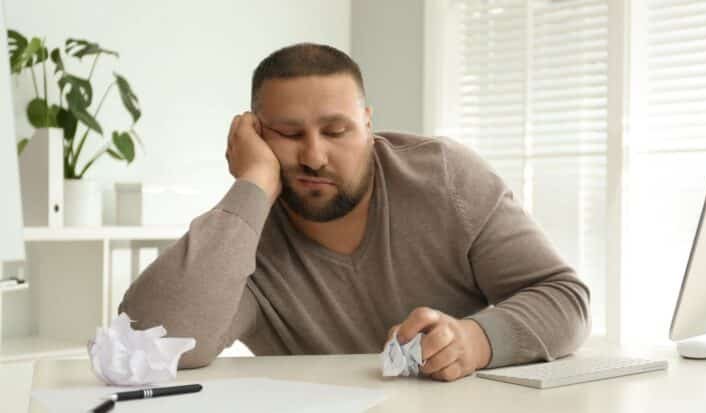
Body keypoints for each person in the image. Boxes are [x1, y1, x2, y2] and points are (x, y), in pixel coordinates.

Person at [119, 43, 590, 382]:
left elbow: (565, 298)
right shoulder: (243, 237)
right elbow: (147, 343)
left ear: (368, 123)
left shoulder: (446, 179)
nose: (314, 156)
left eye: (336, 130)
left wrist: (474, 341)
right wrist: (253, 185)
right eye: (287, 133)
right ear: (254, 136)